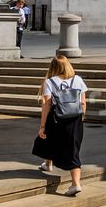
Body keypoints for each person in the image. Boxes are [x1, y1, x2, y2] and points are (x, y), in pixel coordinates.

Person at [33, 54, 87, 196]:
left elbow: (47, 105)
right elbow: (83, 103)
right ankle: (48, 163)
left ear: (53, 67)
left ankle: (76, 184)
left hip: (58, 119)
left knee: (50, 138)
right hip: (75, 119)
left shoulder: (50, 82)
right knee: (70, 146)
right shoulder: (78, 80)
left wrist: (43, 126)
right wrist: (81, 119)